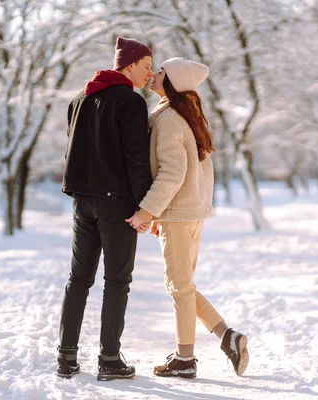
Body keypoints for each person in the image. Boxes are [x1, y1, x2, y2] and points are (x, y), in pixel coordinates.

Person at [126, 57, 249, 379]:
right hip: (190, 213)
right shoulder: (186, 116)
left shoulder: (169, 120)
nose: (153, 74)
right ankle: (227, 337)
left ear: (173, 82)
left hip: (180, 214)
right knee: (183, 285)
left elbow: (171, 174)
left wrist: (147, 211)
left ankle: (185, 358)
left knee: (179, 288)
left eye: (161, 72)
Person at [57, 37, 154, 381]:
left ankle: (66, 356)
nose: (150, 74)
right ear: (129, 65)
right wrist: (146, 207)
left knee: (78, 278)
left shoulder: (79, 100)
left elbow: (72, 152)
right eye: (145, 67)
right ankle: (109, 359)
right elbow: (137, 159)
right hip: (118, 206)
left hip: (83, 203)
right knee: (117, 282)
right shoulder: (131, 102)